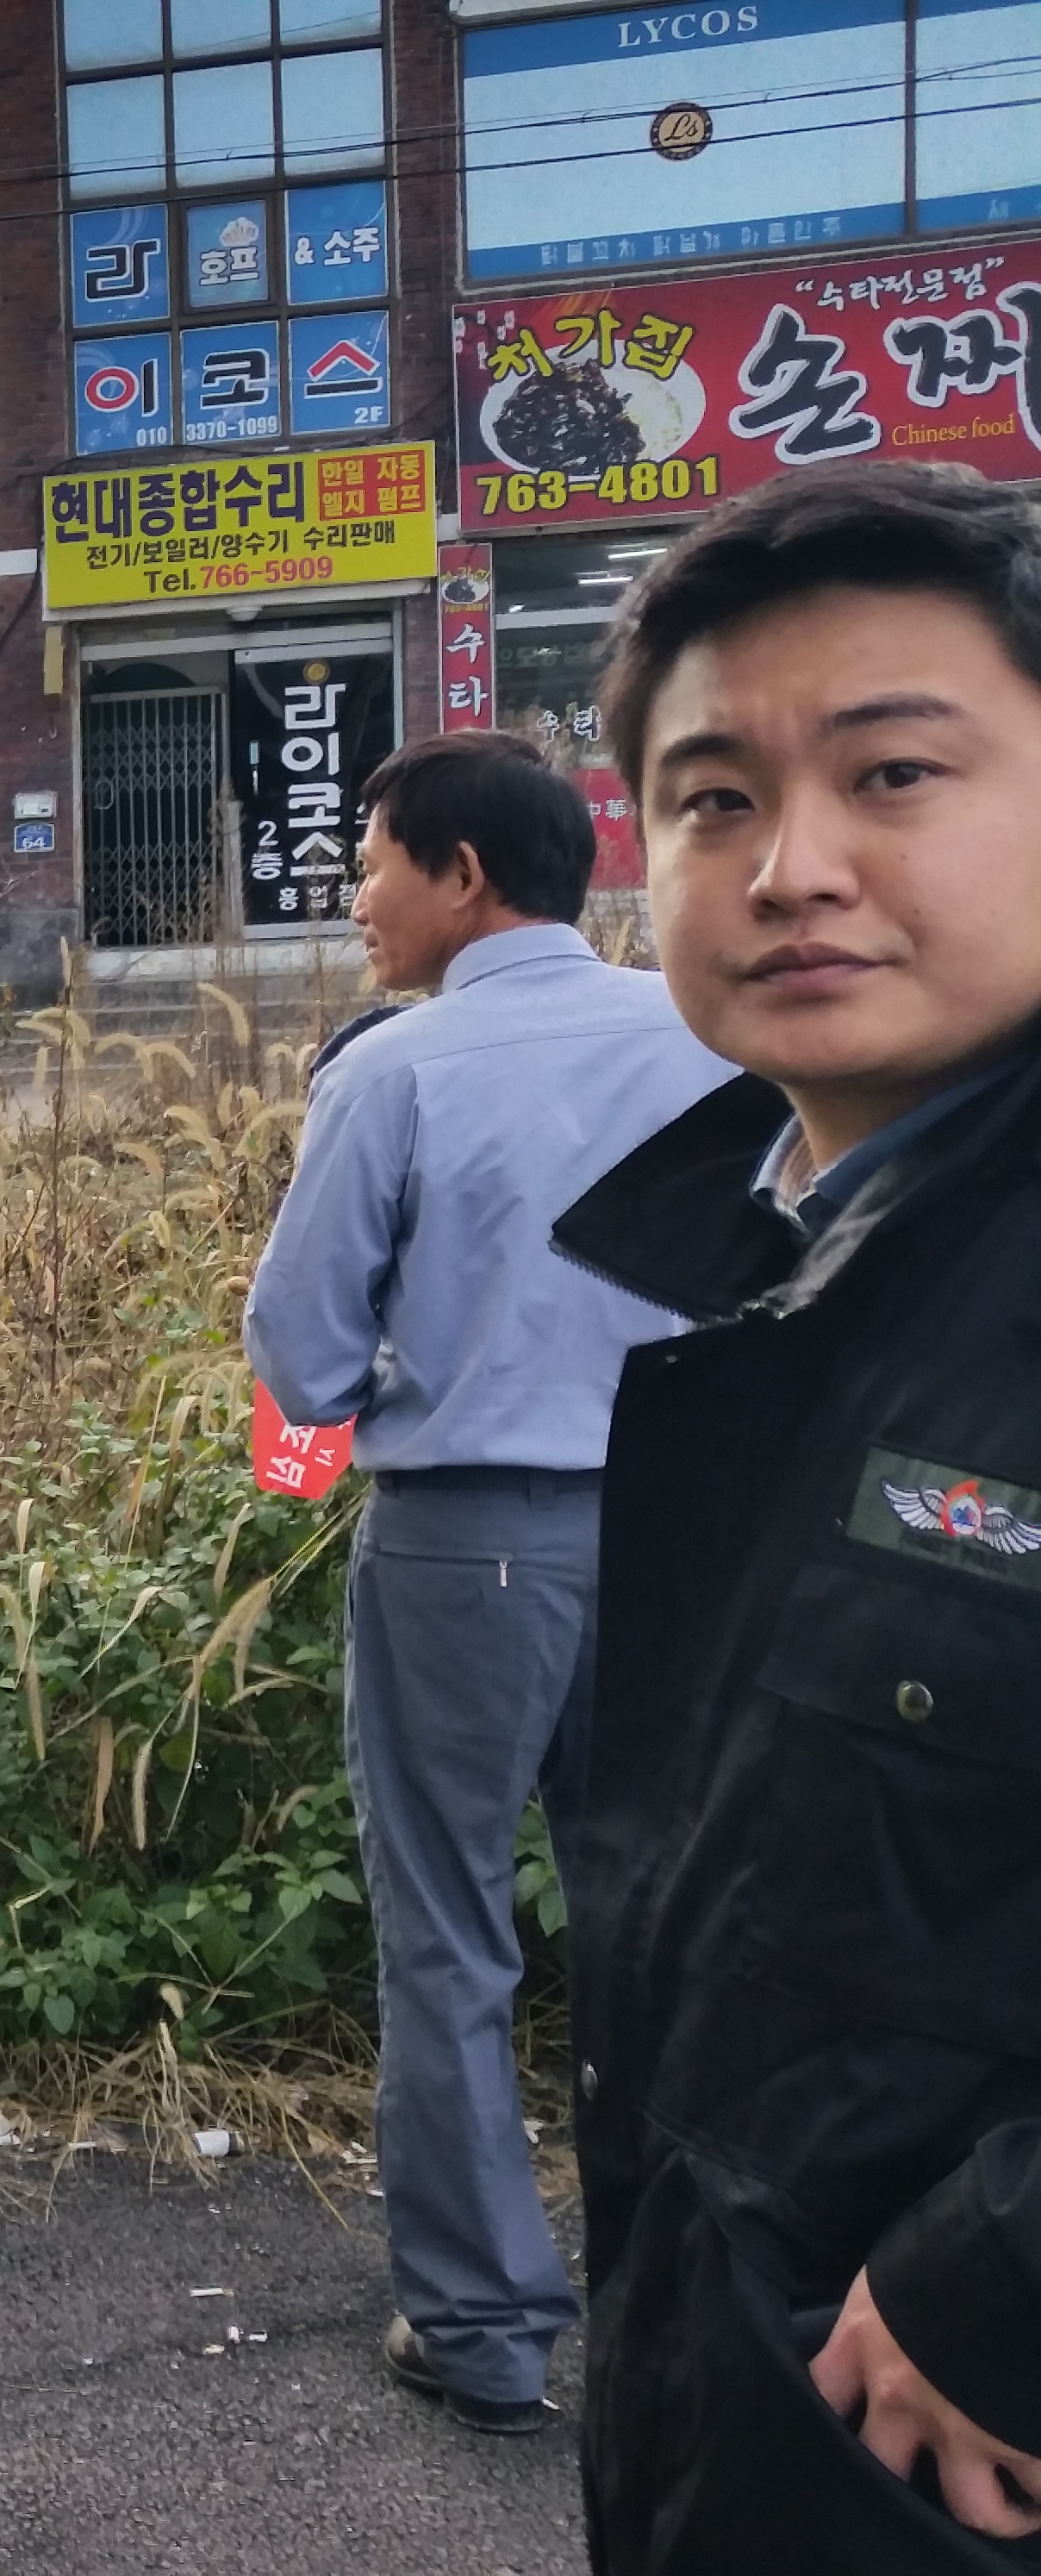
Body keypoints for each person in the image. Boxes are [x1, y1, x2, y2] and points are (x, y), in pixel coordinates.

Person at [545, 460, 1041, 2567]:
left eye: (893, 774)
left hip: (951, 2429)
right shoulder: (789, 1227)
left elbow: (301, 1338)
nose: (789, 868)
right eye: (712, 801)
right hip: (767, 2391)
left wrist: (1006, 2286)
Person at [245, 728, 735, 2435]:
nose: (356, 900)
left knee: (451, 1933)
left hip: (470, 1540)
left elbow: (301, 1350)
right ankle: (684, 2316)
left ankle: (482, 2329)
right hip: (691, 1537)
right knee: (667, 1924)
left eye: (371, 864)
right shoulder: (706, 1038)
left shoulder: (395, 1071)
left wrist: (400, 1377)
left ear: (461, 876)